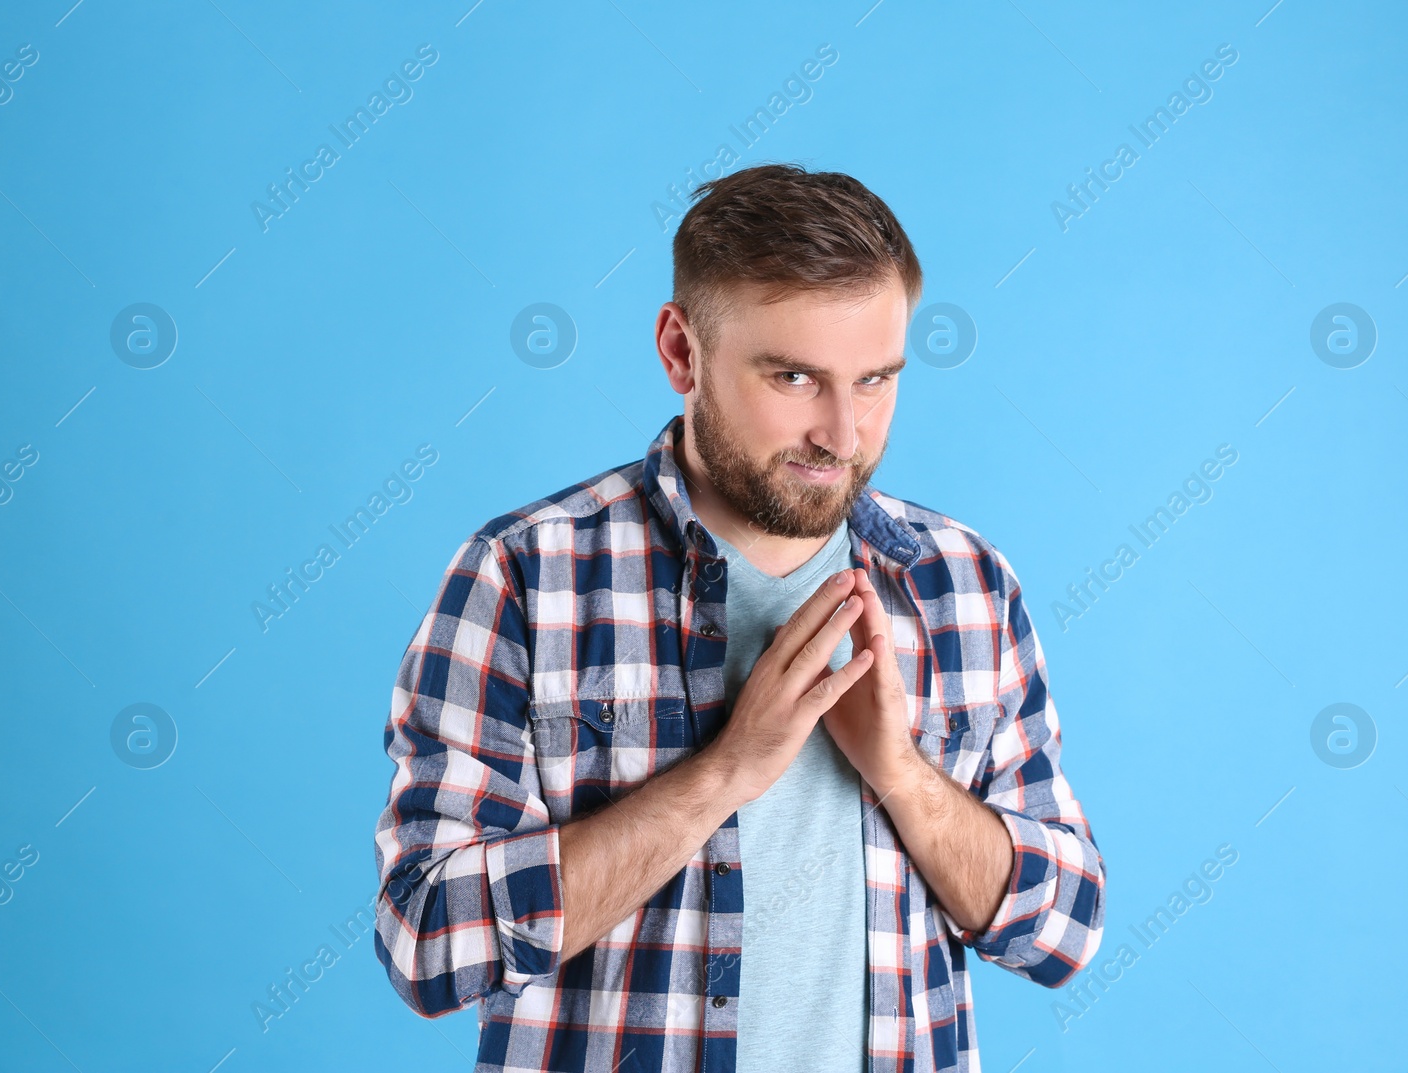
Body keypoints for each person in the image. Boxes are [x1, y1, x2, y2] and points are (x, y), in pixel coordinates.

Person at [373, 163, 1105, 1073]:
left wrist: (899, 773)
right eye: (795, 377)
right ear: (681, 352)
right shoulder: (528, 575)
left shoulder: (960, 585)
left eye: (875, 379)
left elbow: (1063, 932)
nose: (843, 433)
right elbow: (429, 944)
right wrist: (724, 772)